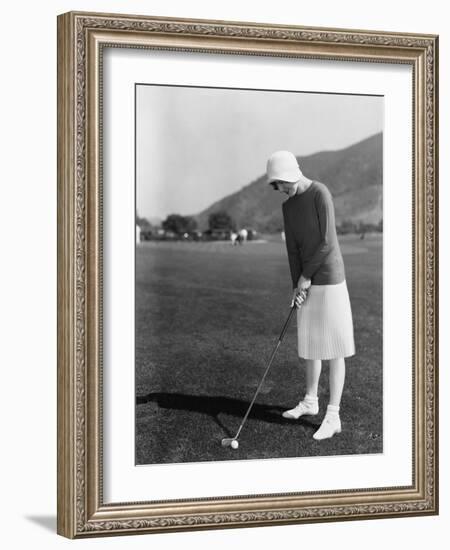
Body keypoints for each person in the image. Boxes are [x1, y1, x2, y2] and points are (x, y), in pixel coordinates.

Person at [266, 150, 355, 440]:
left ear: (292, 174)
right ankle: (310, 401)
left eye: (282, 183)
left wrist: (306, 277)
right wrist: (297, 285)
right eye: (277, 186)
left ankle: (333, 416)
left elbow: (328, 242)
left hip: (329, 278)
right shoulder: (288, 207)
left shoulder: (320, 193)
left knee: (334, 348)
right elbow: (293, 249)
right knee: (312, 344)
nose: (281, 190)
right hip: (306, 281)